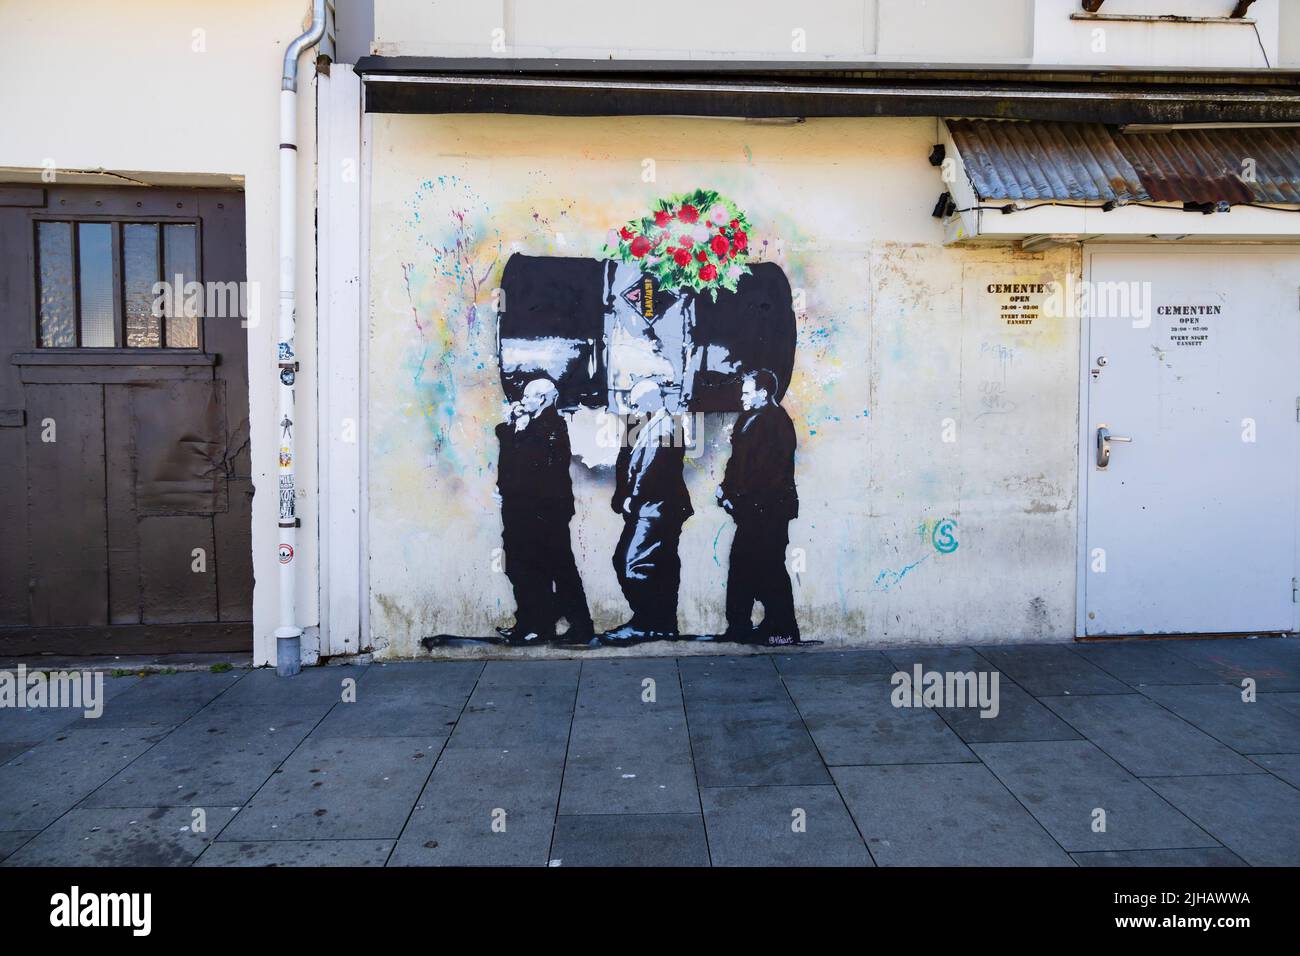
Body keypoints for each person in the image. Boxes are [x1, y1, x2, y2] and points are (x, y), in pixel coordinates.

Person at [494, 378, 594, 645]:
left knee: (550, 569)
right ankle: (533, 622)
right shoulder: (531, 425)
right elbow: (506, 441)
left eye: (528, 397)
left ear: (544, 399)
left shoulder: (552, 427)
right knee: (522, 566)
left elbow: (534, 465)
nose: (522, 401)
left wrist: (521, 428)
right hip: (524, 510)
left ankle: (554, 626)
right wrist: (515, 424)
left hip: (544, 512)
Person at [716, 369, 801, 646]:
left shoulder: (772, 422)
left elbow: (761, 473)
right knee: (752, 567)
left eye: (747, 391)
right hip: (759, 510)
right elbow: (739, 465)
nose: (741, 395)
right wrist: (728, 492)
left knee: (765, 568)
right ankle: (757, 626)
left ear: (763, 394)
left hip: (766, 512)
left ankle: (777, 629)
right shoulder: (756, 420)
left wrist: (734, 497)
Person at [604, 379, 693, 644]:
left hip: (654, 508)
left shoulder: (663, 428)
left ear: (652, 401)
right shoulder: (655, 425)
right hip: (659, 508)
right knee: (660, 565)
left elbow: (650, 469)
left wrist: (632, 497)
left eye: (636, 403)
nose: (633, 408)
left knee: (631, 564)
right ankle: (662, 625)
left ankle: (646, 623)